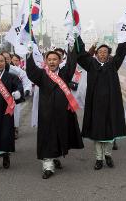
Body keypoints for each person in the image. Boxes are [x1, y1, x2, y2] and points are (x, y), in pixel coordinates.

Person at [26, 45, 84, 179]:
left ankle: (55, 156)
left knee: (59, 136)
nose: (52, 61)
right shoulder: (41, 74)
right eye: (49, 59)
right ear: (45, 61)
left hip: (62, 112)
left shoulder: (64, 73)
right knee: (47, 137)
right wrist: (29, 55)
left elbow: (71, 64)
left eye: (55, 59)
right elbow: (31, 71)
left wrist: (70, 48)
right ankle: (48, 166)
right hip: (46, 113)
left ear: (59, 61)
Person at [77, 36, 126, 170]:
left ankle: (108, 155)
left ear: (108, 54)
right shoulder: (91, 64)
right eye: (100, 52)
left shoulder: (113, 64)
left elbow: (121, 52)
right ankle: (98, 158)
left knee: (109, 132)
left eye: (105, 52)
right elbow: (81, 55)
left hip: (110, 105)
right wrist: (77, 36)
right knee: (97, 133)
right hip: (95, 105)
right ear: (96, 54)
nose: (102, 54)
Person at [7, 53, 32, 139]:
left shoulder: (16, 70)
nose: (5, 60)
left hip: (14, 96)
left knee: (15, 113)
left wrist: (27, 89)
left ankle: (15, 129)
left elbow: (25, 79)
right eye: (3, 58)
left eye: (7, 58)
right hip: (0, 97)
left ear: (10, 60)